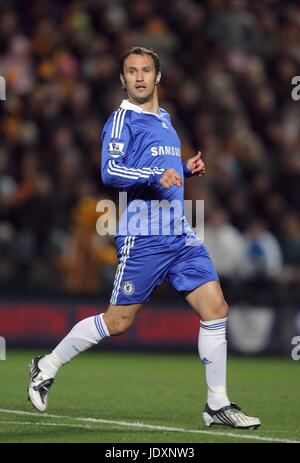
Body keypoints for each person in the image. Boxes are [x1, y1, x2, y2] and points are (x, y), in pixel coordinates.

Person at [27, 47, 260, 430]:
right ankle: (46, 365)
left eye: (146, 71)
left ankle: (217, 404)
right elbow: (111, 170)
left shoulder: (165, 118)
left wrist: (183, 169)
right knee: (118, 323)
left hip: (179, 234)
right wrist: (155, 176)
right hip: (144, 237)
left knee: (216, 308)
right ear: (123, 79)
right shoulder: (122, 119)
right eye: (131, 72)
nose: (139, 77)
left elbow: (162, 169)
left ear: (158, 76)